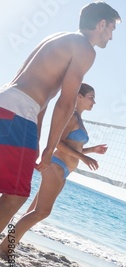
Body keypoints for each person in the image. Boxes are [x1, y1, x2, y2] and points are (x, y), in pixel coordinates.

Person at [0, 2, 120, 237]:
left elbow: (43, 97)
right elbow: (64, 103)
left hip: (8, 103)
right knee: (16, 194)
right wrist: (50, 148)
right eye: (112, 29)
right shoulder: (85, 49)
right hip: (21, 112)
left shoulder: (58, 38)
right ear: (101, 24)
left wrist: (36, 138)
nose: (111, 37)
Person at [0, 83, 107, 254]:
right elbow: (58, 142)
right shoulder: (71, 116)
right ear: (79, 96)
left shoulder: (79, 119)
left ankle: (9, 244)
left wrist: (91, 150)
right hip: (56, 166)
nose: (94, 102)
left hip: (64, 171)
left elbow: (74, 148)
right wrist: (83, 157)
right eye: (91, 98)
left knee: (33, 212)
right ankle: (5, 248)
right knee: (42, 212)